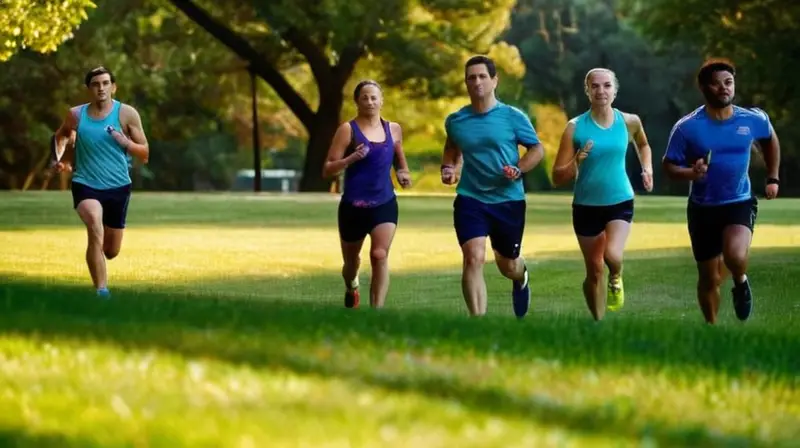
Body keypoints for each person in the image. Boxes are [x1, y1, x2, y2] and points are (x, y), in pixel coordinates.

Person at [662, 58, 781, 324]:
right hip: (703, 208)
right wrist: (691, 173)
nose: (724, 89)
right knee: (709, 278)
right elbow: (669, 166)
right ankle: (712, 327)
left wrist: (772, 177)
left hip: (738, 201)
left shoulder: (751, 119)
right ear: (704, 88)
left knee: (735, 256)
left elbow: (770, 140)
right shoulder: (687, 127)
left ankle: (741, 281)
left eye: (728, 83)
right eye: (716, 85)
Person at [441, 55, 545, 318]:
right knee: (473, 257)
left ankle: (521, 277)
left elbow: (537, 149)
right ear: (466, 83)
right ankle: (479, 324)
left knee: (507, 265)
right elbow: (452, 146)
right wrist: (449, 167)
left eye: (482, 76)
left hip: (508, 199)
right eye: (471, 77)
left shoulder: (512, 116)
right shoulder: (456, 121)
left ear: (494, 80)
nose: (476, 82)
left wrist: (519, 168)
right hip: (470, 198)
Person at [551, 68, 654, 321]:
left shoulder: (629, 121)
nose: (601, 91)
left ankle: (616, 277)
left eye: (606, 86)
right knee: (594, 270)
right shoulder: (574, 128)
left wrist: (647, 168)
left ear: (615, 90)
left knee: (612, 256)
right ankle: (598, 321)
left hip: (620, 200)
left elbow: (643, 144)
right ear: (587, 91)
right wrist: (576, 161)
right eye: (595, 86)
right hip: (586, 205)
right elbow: (557, 176)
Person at [52, 66, 150, 298]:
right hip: (86, 183)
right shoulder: (76, 114)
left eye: (106, 83)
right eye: (96, 84)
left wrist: (124, 142)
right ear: (88, 89)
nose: (101, 88)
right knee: (94, 224)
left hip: (118, 187)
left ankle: (100, 261)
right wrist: (57, 158)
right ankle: (102, 290)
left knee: (111, 251)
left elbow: (145, 153)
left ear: (113, 87)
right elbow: (61, 135)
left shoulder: (127, 114)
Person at [322, 79, 412, 309]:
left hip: (384, 202)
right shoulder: (347, 130)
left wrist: (403, 173)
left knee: (379, 255)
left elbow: (399, 159)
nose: (370, 102)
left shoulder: (393, 129)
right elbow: (327, 168)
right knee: (351, 263)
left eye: (374, 97)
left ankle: (376, 312)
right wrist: (351, 159)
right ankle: (352, 284)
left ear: (382, 100)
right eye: (365, 97)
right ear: (357, 102)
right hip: (353, 206)